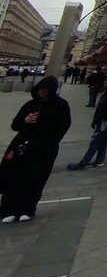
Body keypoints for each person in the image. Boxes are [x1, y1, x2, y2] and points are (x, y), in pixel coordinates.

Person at [1, 76, 71, 223]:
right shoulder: (31, 105)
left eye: (44, 89)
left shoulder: (60, 106)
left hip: (44, 149)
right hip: (23, 146)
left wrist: (52, 141)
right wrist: (25, 121)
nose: (41, 92)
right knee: (14, 177)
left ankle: (27, 209)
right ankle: (8, 209)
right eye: (40, 89)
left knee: (36, 178)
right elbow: (15, 124)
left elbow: (64, 125)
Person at [67, 74, 107, 170]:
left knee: (95, 140)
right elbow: (101, 108)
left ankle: (83, 163)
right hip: (102, 120)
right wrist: (95, 121)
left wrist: (105, 121)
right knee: (102, 139)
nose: (104, 82)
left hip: (105, 121)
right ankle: (100, 160)